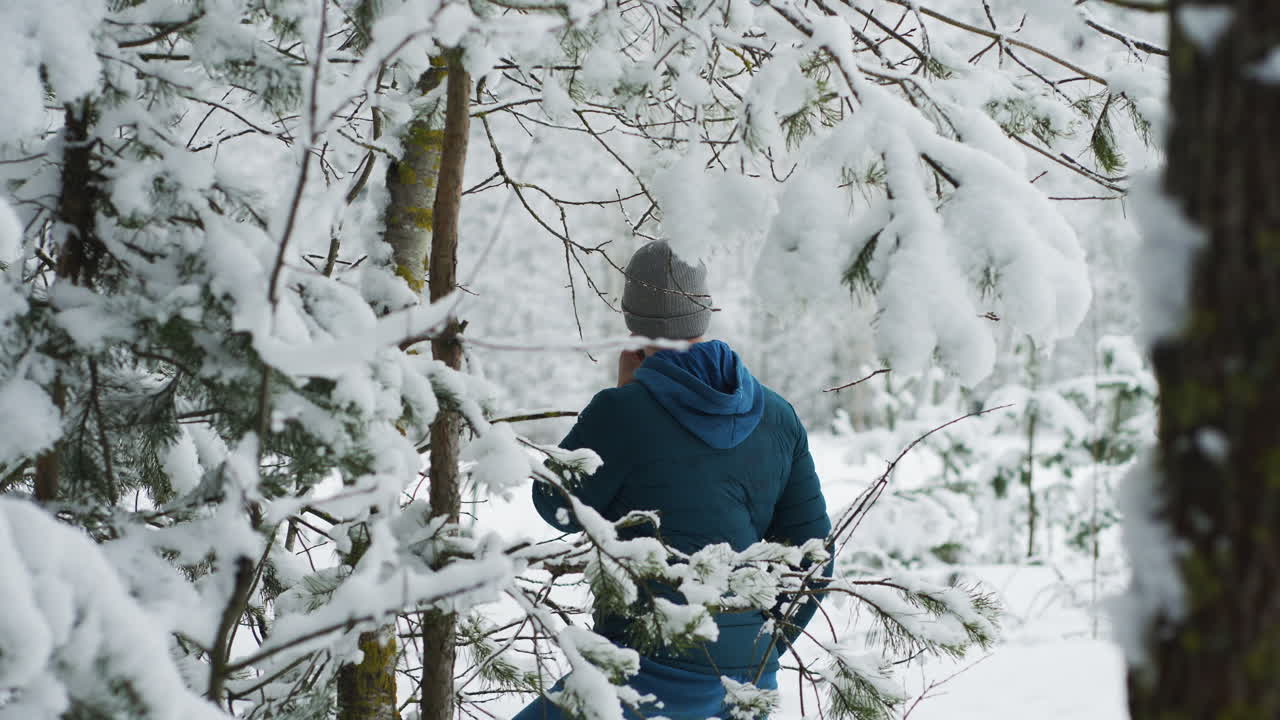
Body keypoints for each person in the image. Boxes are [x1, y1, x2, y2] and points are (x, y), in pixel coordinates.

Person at [516, 241, 832, 720]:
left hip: (644, 665)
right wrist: (758, 648)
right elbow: (816, 557)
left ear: (631, 321)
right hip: (747, 679)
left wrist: (623, 398)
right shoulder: (777, 413)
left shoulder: (622, 411)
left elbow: (554, 504)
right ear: (704, 310)